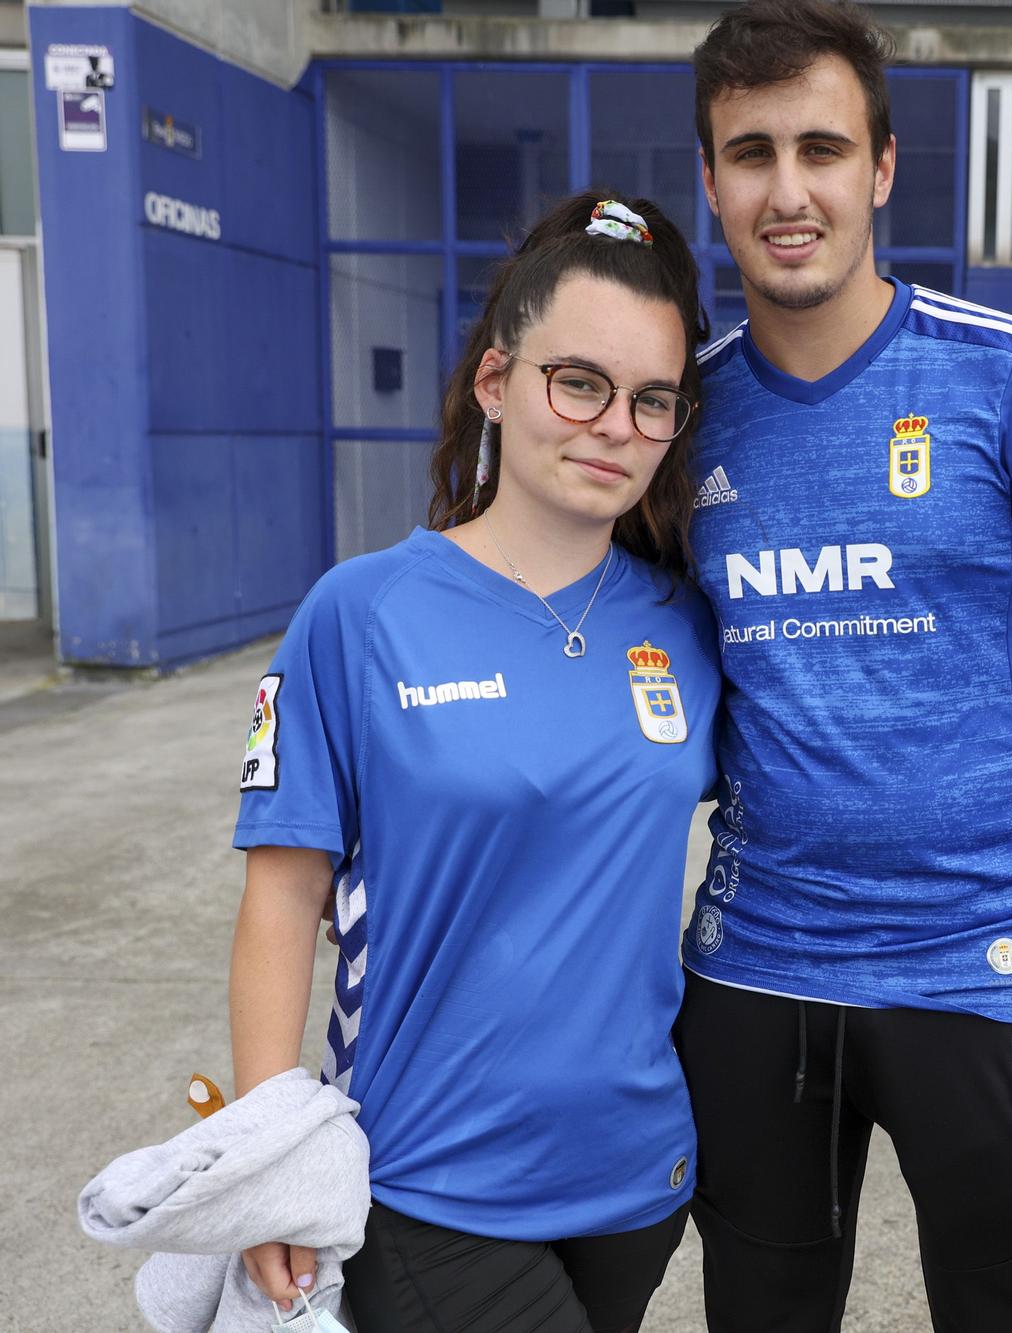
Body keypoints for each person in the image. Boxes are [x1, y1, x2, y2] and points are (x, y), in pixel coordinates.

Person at [673, 3, 1012, 1329]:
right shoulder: (680, 414)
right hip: (757, 973)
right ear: (710, 179)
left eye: (821, 149)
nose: (787, 191)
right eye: (751, 153)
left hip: (992, 969)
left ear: (883, 168)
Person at [228, 190, 716, 1333]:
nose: (612, 425)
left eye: (651, 402)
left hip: (636, 1179)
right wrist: (261, 1151)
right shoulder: (360, 614)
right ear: (497, 383)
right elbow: (283, 894)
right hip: (430, 1177)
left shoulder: (688, 630)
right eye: (578, 382)